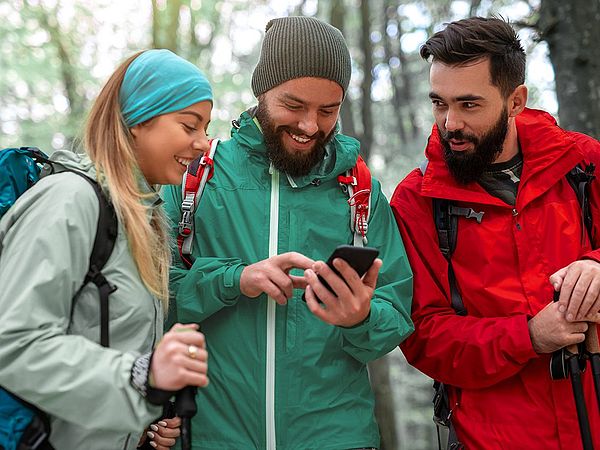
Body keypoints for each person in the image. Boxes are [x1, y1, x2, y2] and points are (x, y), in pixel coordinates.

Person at [162, 16, 413, 449]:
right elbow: (153, 297)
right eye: (293, 105)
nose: (310, 125)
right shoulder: (194, 179)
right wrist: (235, 279)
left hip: (338, 437)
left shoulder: (360, 192)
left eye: (328, 110)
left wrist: (361, 317)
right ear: (261, 91)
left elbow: (398, 317)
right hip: (214, 435)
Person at [391, 16, 600, 449]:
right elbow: (422, 336)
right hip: (493, 438)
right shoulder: (417, 201)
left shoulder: (584, 163)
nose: (449, 123)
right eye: (439, 103)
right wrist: (528, 337)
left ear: (515, 101)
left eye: (469, 105)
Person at [0, 49, 212, 450]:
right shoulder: (69, 201)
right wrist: (141, 376)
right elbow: (13, 343)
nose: (203, 143)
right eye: (189, 125)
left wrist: (149, 412)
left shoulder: (144, 217)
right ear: (138, 121)